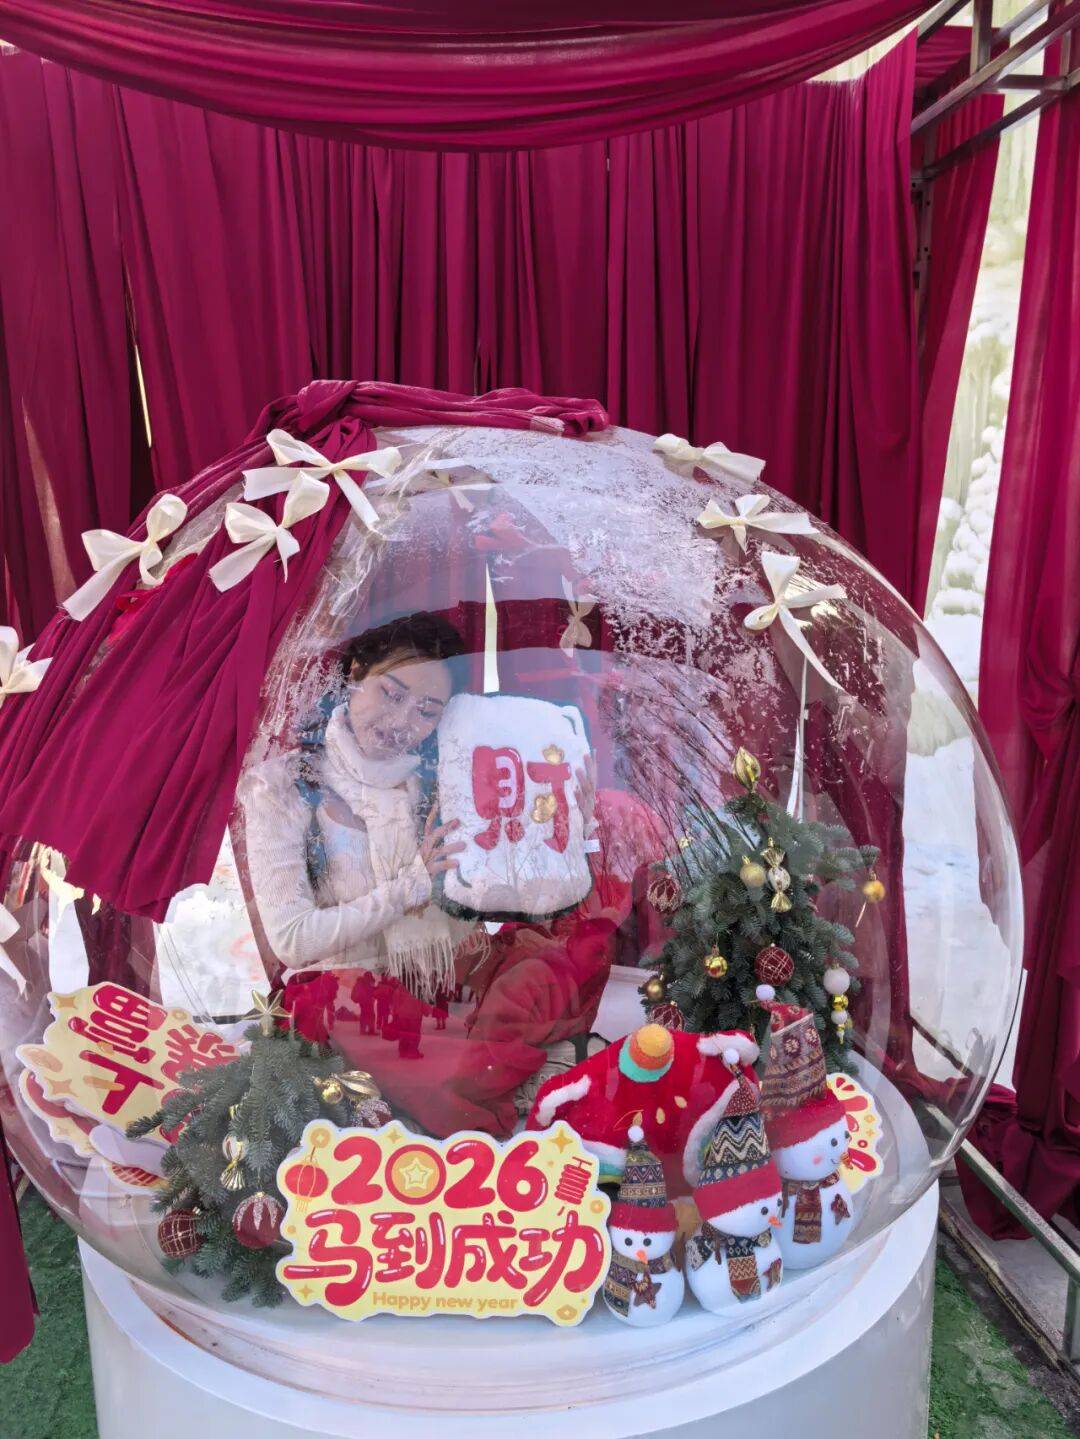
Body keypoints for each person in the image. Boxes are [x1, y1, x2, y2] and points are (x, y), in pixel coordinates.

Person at [241, 613, 468, 1001]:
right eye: (392, 694)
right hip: (346, 1011)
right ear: (356, 673)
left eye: (427, 711)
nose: (401, 721)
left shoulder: (446, 781)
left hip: (458, 996)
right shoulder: (284, 785)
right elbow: (292, 939)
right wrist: (411, 886)